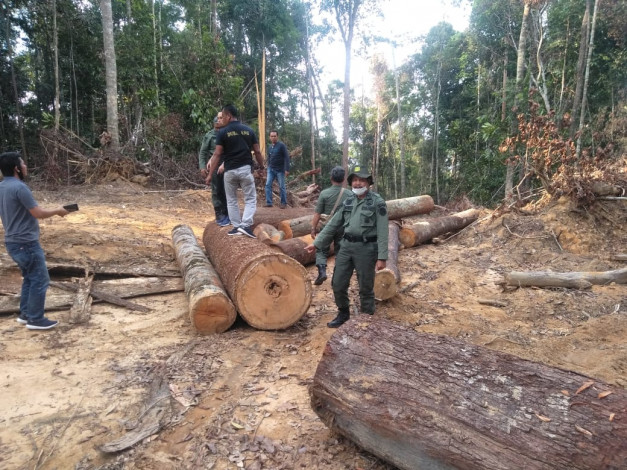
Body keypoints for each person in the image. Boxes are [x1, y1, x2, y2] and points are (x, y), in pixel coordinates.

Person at [305, 164, 388, 328]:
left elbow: (383, 230)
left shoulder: (377, 202)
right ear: (350, 183)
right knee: (338, 283)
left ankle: (366, 320)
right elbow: (332, 224)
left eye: (361, 180)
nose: (357, 184)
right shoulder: (348, 201)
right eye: (355, 180)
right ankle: (343, 313)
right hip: (345, 247)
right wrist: (317, 243)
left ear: (368, 183)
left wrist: (382, 257)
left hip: (366, 249)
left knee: (366, 286)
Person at [0, 152, 69, 330]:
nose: (25, 166)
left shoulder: (2, 187)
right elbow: (38, 214)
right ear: (16, 168)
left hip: (12, 241)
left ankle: (25, 314)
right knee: (40, 279)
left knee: (29, 278)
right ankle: (35, 319)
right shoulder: (20, 188)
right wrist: (58, 210)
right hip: (26, 243)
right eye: (23, 164)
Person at [206, 104, 264, 238]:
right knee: (250, 199)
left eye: (223, 117)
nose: (221, 120)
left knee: (231, 199)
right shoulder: (248, 131)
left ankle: (237, 226)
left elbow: (217, 154)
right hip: (245, 170)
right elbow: (257, 151)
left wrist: (210, 175)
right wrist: (261, 167)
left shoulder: (222, 133)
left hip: (230, 171)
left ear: (228, 116)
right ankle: (245, 225)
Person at [310, 166, 350, 285]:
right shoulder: (349, 194)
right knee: (340, 250)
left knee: (321, 249)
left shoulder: (324, 193)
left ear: (331, 178)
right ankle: (337, 277)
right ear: (344, 179)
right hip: (343, 227)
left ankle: (322, 272)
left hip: (326, 227)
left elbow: (317, 213)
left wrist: (313, 228)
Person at [199, 112, 229, 226]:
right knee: (216, 190)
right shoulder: (209, 135)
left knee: (227, 189)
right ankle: (218, 213)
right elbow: (203, 152)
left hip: (227, 164)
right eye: (217, 121)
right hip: (215, 165)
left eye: (221, 120)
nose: (219, 122)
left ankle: (227, 212)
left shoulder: (228, 133)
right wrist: (202, 167)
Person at [264, 130, 290, 208]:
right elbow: (269, 157)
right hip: (271, 169)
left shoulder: (281, 145)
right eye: (271, 136)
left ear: (277, 137)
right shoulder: (269, 147)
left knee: (281, 186)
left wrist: (287, 169)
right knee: (268, 185)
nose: (273, 138)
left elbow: (286, 157)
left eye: (275, 136)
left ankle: (283, 203)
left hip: (280, 170)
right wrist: (268, 166)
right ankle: (269, 202)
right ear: (269, 137)